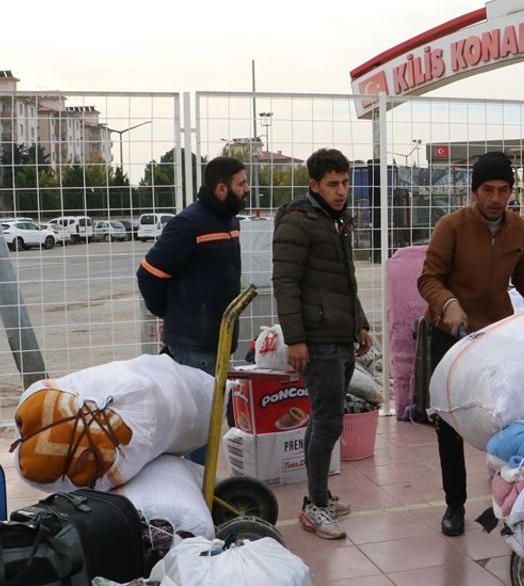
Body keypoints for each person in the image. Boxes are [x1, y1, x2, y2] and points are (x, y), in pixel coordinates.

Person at [417, 151, 524, 536]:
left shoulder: (520, 229)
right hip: (451, 336)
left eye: (504, 190)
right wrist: (448, 303)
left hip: (496, 337)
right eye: (488, 190)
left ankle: (507, 501)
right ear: (474, 191)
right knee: (450, 423)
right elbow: (428, 279)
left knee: (505, 419)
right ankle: (454, 505)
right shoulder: (452, 227)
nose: (496, 198)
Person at [272, 148, 371, 540]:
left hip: (339, 335)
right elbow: (285, 285)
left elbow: (344, 280)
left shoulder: (336, 220)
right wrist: (295, 340)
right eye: (332, 184)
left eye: (345, 183)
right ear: (314, 185)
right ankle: (314, 507)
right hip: (317, 340)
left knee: (324, 420)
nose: (341, 191)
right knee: (328, 422)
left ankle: (319, 496)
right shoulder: (298, 223)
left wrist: (360, 322)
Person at [137, 155, 249, 374]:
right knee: (200, 408)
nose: (248, 188)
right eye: (241, 183)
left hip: (220, 340)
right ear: (221, 189)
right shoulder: (188, 224)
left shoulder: (230, 221)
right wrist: (167, 312)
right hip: (193, 347)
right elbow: (148, 273)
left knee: (216, 406)